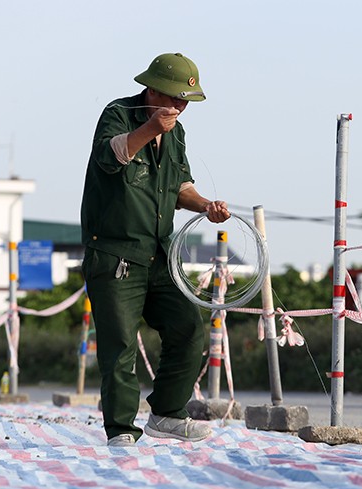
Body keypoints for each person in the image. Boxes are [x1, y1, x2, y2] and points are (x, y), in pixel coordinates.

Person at [80, 53, 230, 447]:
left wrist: (206, 206)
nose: (181, 107)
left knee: (187, 329)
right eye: (176, 98)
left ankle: (166, 413)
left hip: (159, 254)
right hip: (114, 254)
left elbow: (179, 187)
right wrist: (150, 127)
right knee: (120, 346)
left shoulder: (177, 133)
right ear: (153, 88)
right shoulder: (119, 113)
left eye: (186, 102)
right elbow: (110, 158)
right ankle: (121, 431)